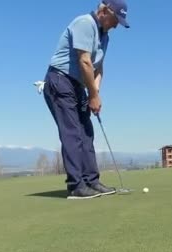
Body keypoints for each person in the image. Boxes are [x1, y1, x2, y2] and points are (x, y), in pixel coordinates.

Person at [41, 0, 130, 199]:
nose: (116, 25)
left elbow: (98, 68)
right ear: (105, 11)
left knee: (86, 132)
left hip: (79, 85)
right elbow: (84, 61)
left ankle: (92, 181)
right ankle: (76, 185)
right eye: (116, 19)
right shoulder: (84, 23)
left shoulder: (105, 36)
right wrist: (94, 96)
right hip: (60, 80)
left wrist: (94, 94)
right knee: (72, 133)